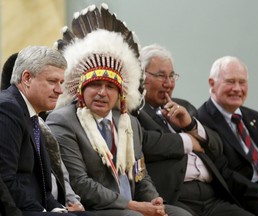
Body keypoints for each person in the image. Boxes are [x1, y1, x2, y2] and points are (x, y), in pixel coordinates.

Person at [46, 4, 192, 216]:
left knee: (181, 215)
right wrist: (133, 206)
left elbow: (140, 174)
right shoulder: (62, 121)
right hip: (96, 209)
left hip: (134, 206)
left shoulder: (128, 122)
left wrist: (154, 201)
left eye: (111, 87)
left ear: (121, 94)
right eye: (95, 85)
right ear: (80, 89)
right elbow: (80, 183)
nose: (102, 93)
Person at [134, 44, 254, 216]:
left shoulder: (184, 106)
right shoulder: (134, 110)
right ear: (141, 76)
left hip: (211, 196)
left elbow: (217, 146)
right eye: (161, 76)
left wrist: (190, 125)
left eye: (172, 76)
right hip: (175, 197)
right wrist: (188, 141)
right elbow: (145, 143)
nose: (168, 83)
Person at [0, 50, 92, 216]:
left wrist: (57, 208)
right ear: (27, 78)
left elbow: (41, 182)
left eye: (61, 82)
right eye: (52, 81)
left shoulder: (31, 113)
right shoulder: (7, 108)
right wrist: (43, 211)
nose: (60, 90)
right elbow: (6, 179)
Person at [197, 55, 258, 215]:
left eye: (242, 82)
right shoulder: (202, 122)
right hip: (246, 197)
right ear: (212, 83)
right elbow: (225, 174)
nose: (237, 89)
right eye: (230, 81)